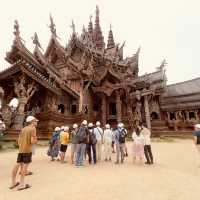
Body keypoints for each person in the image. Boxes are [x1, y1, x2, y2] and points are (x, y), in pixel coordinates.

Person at [10, 116, 38, 190]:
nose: (36, 122)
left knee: (17, 165)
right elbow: (32, 141)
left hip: (21, 150)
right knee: (24, 167)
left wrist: (22, 146)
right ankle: (22, 184)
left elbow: (19, 141)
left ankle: (13, 182)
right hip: (27, 150)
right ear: (32, 121)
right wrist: (35, 140)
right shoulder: (33, 129)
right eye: (35, 121)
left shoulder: (23, 129)